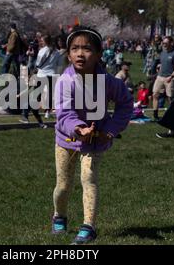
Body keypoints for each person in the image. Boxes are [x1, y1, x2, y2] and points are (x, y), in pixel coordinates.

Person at [52, 26, 133, 245]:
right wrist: (78, 129)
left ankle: (88, 227)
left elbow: (126, 104)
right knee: (63, 185)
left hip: (96, 139)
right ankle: (59, 216)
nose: (80, 53)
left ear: (98, 54)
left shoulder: (108, 82)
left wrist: (110, 130)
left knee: (88, 178)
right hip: (67, 139)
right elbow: (63, 112)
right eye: (75, 48)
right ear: (68, 54)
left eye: (87, 49)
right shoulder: (65, 82)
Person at [152, 36, 174, 121]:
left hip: (170, 78)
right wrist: (159, 68)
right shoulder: (163, 53)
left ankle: (173, 115)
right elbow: (162, 63)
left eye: (165, 43)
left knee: (170, 98)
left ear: (171, 43)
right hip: (160, 77)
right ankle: (155, 116)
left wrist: (171, 77)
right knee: (155, 95)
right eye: (163, 43)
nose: (163, 45)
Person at [36, 34, 60, 119]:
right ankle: (47, 112)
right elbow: (59, 64)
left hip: (42, 74)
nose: (41, 42)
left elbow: (38, 63)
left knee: (38, 93)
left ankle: (33, 110)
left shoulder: (42, 51)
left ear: (45, 41)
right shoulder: (57, 51)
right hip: (52, 74)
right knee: (50, 94)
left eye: (42, 40)